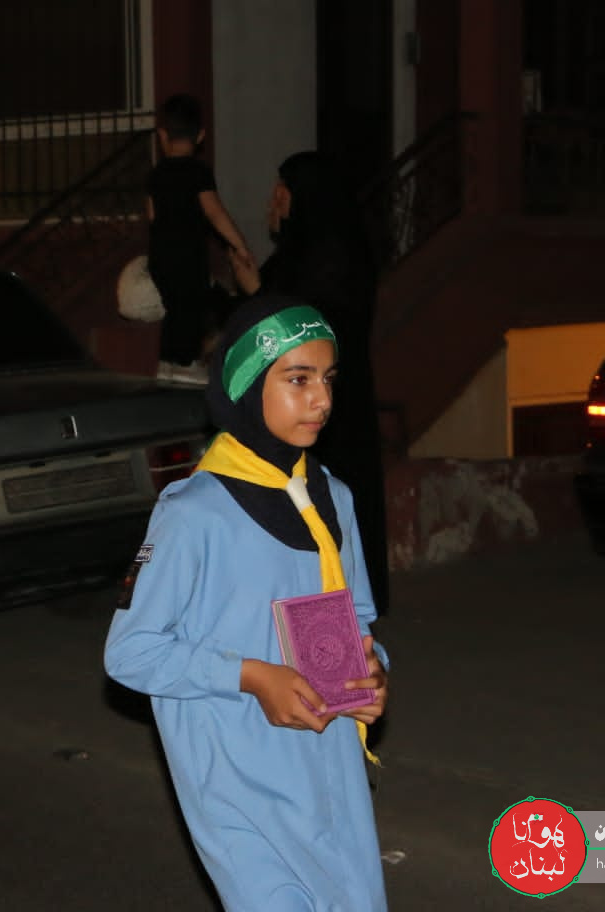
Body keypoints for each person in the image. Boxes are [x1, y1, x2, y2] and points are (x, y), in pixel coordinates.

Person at [104, 295, 390, 911]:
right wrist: (253, 676)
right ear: (247, 385)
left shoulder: (334, 496)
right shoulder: (194, 513)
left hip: (331, 771)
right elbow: (131, 651)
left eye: (328, 379)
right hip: (239, 780)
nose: (322, 400)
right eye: (298, 379)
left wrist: (372, 669)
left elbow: (359, 615)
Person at [231, 150, 390, 616]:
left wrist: (255, 292)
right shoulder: (307, 253)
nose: (273, 202)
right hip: (323, 407)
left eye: (281, 192)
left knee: (321, 503)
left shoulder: (328, 258)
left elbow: (300, 329)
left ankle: (332, 611)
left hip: (325, 409)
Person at [146, 93, 253, 385]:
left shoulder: (156, 174)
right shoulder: (198, 172)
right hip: (188, 254)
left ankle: (166, 362)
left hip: (161, 255)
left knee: (174, 307)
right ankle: (186, 363)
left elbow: (152, 215)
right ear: (201, 136)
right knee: (191, 307)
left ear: (162, 135)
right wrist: (239, 244)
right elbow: (214, 212)